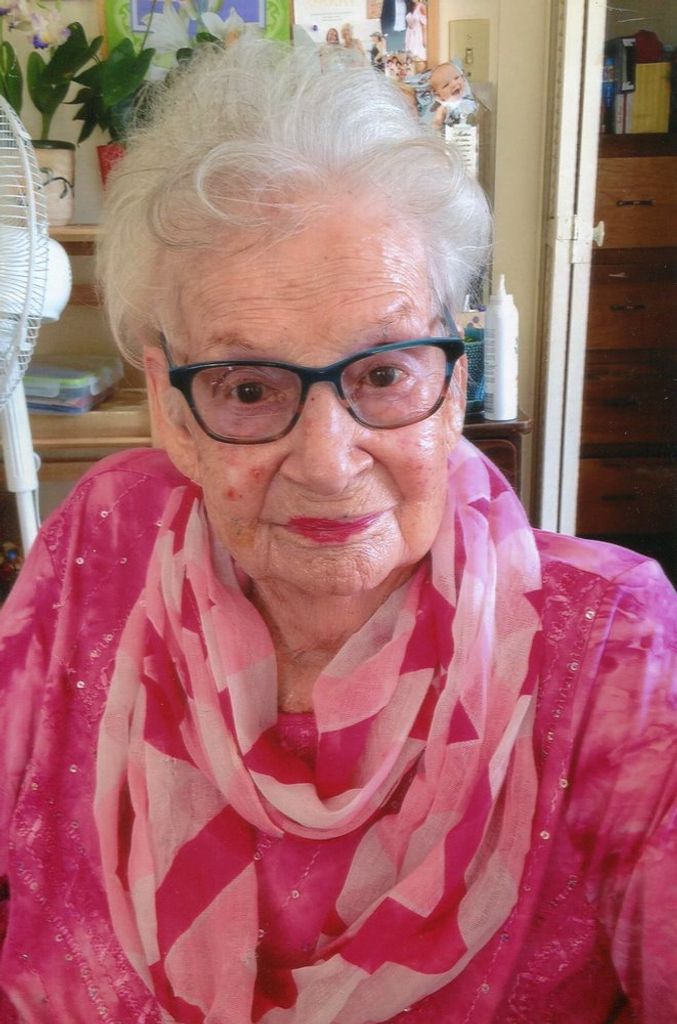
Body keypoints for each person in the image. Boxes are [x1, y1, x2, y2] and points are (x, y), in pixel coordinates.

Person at [0, 34, 675, 1024]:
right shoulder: (104, 537)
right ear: (169, 405)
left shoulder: (612, 643)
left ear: (453, 386)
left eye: (385, 372)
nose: (326, 461)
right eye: (245, 387)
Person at [429, 59, 477, 128]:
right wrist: (438, 119)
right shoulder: (439, 107)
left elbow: (469, 110)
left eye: (456, 78)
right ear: (438, 94)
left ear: (463, 78)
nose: (454, 84)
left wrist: (446, 111)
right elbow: (434, 125)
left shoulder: (467, 100)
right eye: (446, 85)